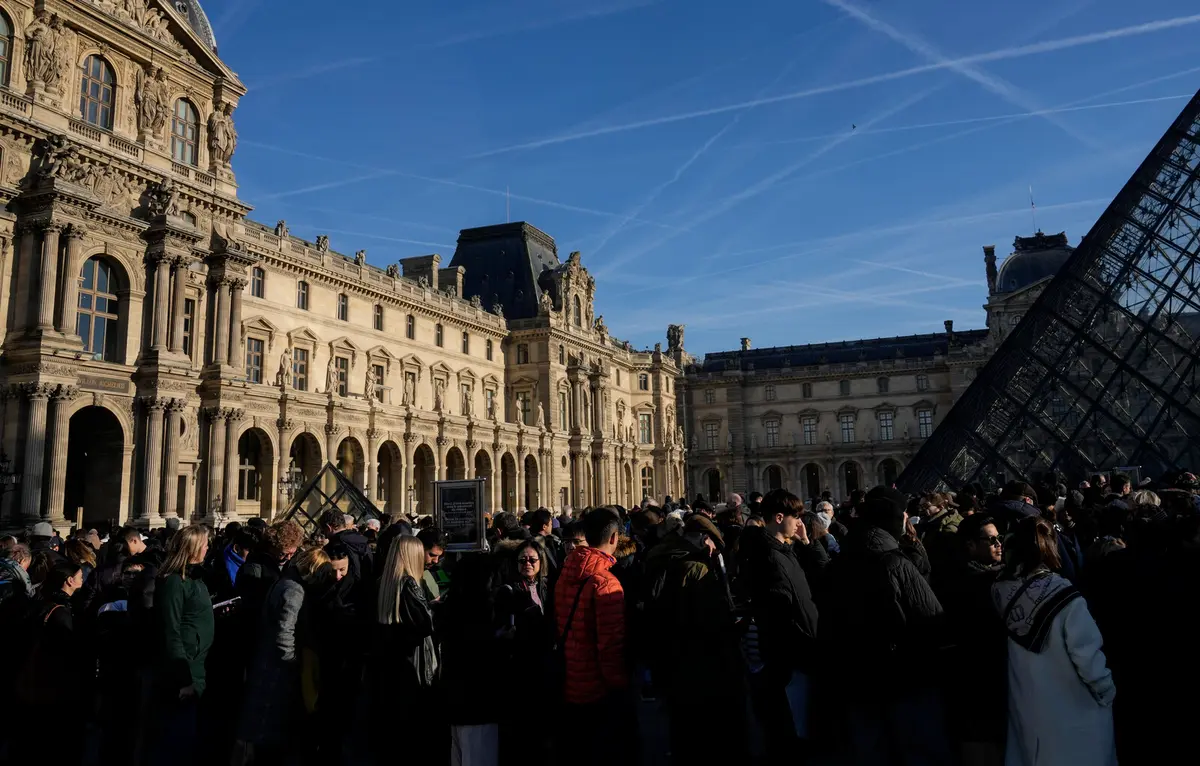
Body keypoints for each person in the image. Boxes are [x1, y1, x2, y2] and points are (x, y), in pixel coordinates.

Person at [821, 487, 951, 766]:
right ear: (894, 520)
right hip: (903, 678)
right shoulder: (896, 562)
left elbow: (829, 627)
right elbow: (931, 620)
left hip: (857, 680)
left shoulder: (840, 562)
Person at [992, 515, 1115, 765]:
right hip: (1076, 712)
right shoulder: (1066, 596)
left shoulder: (999, 592)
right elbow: (1087, 656)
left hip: (1027, 710)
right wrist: (1106, 690)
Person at [643, 514, 744, 765]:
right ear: (703, 539)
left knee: (681, 727)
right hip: (699, 661)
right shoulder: (696, 568)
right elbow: (710, 621)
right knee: (703, 732)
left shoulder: (662, 557)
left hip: (672, 657)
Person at [736, 490, 820, 764]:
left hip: (793, 649)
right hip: (789, 653)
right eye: (796, 517)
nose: (799, 523)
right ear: (779, 517)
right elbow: (784, 608)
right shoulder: (770, 556)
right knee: (789, 726)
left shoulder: (782, 550)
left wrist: (806, 543)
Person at [239, 547, 336, 766]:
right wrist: (292, 662)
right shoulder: (294, 590)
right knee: (272, 727)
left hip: (268, 663)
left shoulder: (285, 582)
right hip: (277, 669)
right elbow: (285, 632)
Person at [554, 506, 633, 765]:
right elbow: (610, 646)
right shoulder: (606, 583)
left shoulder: (566, 572)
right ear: (613, 539)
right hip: (597, 686)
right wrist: (620, 687)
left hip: (569, 678)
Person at [938, 514, 1006, 766]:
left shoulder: (967, 574)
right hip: (977, 677)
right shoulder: (973, 583)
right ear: (969, 545)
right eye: (991, 540)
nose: (999, 543)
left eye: (999, 538)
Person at [10, 560, 87, 762]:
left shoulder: (40, 603)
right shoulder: (62, 612)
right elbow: (67, 653)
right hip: (54, 688)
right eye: (80, 577)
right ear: (70, 581)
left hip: (33, 685)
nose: (83, 581)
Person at [369, 535, 438, 762]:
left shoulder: (384, 582)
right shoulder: (409, 583)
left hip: (388, 663)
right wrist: (433, 608)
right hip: (412, 660)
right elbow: (425, 625)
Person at [152, 525, 214, 766]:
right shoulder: (175, 583)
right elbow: (171, 631)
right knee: (178, 742)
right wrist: (184, 679)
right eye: (205, 544)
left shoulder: (194, 578)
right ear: (192, 548)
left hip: (197, 666)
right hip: (185, 672)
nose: (208, 547)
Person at [417, 526, 448, 602]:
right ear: (418, 548)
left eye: (439, 556)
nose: (436, 561)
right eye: (432, 555)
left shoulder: (427, 572)